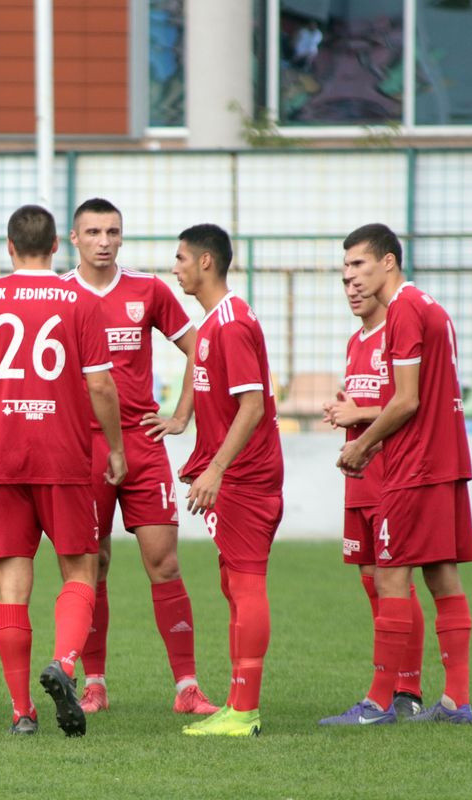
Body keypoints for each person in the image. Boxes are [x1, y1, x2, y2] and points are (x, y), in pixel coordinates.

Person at [0, 204, 127, 737]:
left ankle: (22, 710)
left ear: (9, 247)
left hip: (1, 456)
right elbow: (100, 386)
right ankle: (65, 665)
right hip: (63, 457)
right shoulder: (81, 302)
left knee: (11, 585)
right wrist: (115, 448)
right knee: (80, 570)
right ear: (57, 247)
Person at [61, 197, 217, 717]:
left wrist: (181, 415)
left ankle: (187, 687)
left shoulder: (146, 289)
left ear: (121, 237)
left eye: (112, 231)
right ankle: (95, 682)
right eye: (93, 231)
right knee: (93, 565)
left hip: (142, 442)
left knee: (164, 562)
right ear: (74, 238)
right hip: (82, 446)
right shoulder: (60, 294)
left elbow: (201, 346)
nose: (104, 240)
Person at [331, 223, 472, 725]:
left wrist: (364, 446)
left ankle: (380, 703)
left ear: (387, 262)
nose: (350, 275)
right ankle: (457, 702)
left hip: (415, 464)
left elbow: (407, 400)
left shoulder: (405, 310)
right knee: (440, 575)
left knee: (392, 578)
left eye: (358, 264)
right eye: (346, 266)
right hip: (444, 459)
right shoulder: (429, 305)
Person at [172, 223, 283, 738]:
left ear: (206, 263)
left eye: (181, 259)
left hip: (246, 478)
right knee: (233, 584)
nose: (175, 268)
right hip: (233, 474)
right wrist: (196, 448)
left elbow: (253, 406)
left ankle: (245, 710)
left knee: (246, 582)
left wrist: (217, 468)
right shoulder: (214, 323)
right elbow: (214, 400)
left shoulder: (232, 324)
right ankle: (239, 704)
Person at [318, 257, 425, 724]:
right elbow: (367, 401)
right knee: (371, 580)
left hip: (391, 474)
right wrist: (348, 408)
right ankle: (397, 682)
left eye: (358, 278)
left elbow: (407, 402)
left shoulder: (397, 332)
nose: (352, 288)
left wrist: (358, 416)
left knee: (394, 581)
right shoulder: (354, 341)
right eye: (345, 282)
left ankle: (407, 688)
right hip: (359, 476)